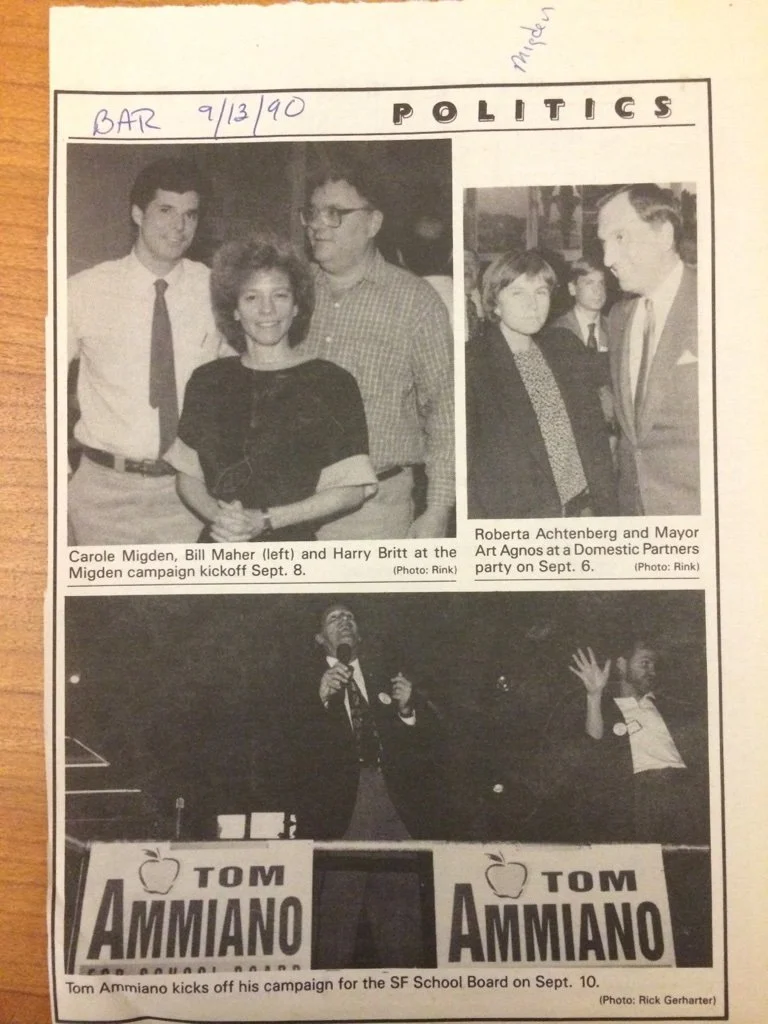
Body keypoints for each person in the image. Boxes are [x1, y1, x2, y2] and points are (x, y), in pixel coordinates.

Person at [164, 236, 377, 542]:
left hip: (292, 552)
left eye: (279, 295)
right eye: (251, 297)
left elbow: (351, 490)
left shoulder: (331, 382)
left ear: (296, 306)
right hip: (221, 542)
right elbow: (188, 477)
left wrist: (265, 520)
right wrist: (224, 520)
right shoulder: (208, 380)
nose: (267, 310)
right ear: (234, 310)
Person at [68, 158, 223, 544]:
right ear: (137, 213)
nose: (179, 226)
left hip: (188, 496)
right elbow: (32, 386)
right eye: (166, 210)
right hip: (103, 495)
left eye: (190, 214)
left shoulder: (216, 290)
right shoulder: (84, 291)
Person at [301, 153, 454, 539]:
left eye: (335, 213)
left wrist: (437, 510)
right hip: (290, 501)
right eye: (313, 212)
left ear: (373, 222)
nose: (319, 225)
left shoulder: (415, 302)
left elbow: (446, 412)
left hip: (374, 511)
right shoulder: (288, 291)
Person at [294, 603, 444, 968]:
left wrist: (408, 712)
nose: (344, 622)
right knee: (336, 919)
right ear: (319, 639)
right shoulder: (302, 686)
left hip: (393, 803)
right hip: (343, 808)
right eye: (333, 618)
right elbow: (290, 753)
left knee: (401, 913)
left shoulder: (385, 680)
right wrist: (319, 701)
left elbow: (427, 751)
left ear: (359, 635)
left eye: (350, 617)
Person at [466, 250, 617, 519]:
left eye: (541, 292)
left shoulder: (565, 347)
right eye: (518, 293)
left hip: (584, 512)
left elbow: (595, 441)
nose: (532, 305)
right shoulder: (474, 364)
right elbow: (469, 474)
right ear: (495, 303)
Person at [597, 183, 699, 515]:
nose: (608, 259)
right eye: (603, 243)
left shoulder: (719, 298)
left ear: (664, 234)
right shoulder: (618, 317)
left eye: (620, 237)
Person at [569, 641, 708, 844]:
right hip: (641, 793)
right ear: (622, 665)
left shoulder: (671, 706)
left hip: (685, 788)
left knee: (695, 859)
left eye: (654, 665)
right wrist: (594, 695)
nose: (652, 671)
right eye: (645, 663)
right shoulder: (607, 708)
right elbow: (594, 743)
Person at [552, 255, 616, 432]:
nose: (598, 291)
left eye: (601, 283)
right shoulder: (556, 333)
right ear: (572, 289)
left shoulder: (617, 330)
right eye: (589, 283)